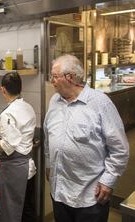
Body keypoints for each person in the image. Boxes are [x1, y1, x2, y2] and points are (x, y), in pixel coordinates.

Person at [44, 54, 129, 222]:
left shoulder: (100, 103)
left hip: (90, 196)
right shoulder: (54, 101)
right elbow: (48, 135)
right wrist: (48, 163)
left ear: (71, 78)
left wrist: (108, 180)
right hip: (59, 192)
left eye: (55, 76)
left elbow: (120, 149)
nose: (51, 81)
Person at [0, 72, 37, 222]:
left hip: (15, 170)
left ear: (3, 90)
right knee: (26, 209)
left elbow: (8, 147)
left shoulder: (7, 115)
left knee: (11, 212)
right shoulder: (29, 107)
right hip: (28, 168)